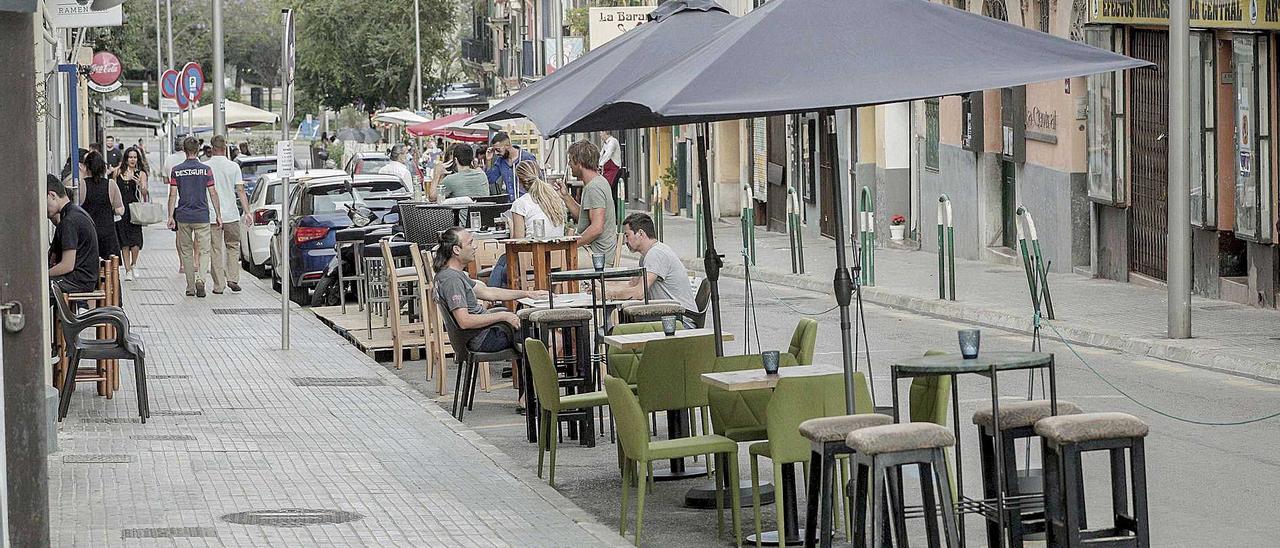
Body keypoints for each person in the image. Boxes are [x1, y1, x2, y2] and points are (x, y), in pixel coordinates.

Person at [433, 227, 545, 353]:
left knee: (536, 328)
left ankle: (529, 371)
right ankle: (542, 372)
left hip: (485, 332)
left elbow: (488, 292)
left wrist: (527, 293)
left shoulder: (451, 274)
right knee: (550, 336)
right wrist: (503, 316)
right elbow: (464, 321)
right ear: (456, 250)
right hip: (485, 337)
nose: (474, 246)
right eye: (470, 243)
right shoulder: (452, 280)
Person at [488, 159, 568, 289]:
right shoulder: (556, 199)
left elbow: (518, 242)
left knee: (503, 262)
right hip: (556, 259)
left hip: (532, 260)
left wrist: (511, 225)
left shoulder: (521, 203)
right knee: (504, 263)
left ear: (519, 181)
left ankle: (494, 301)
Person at [604, 213, 698, 321]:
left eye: (627, 235)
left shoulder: (656, 254)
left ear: (640, 233)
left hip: (681, 320)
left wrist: (609, 294)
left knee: (620, 331)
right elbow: (632, 284)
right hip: (668, 316)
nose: (625, 241)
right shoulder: (646, 256)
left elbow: (639, 292)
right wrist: (604, 287)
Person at [167, 136, 222, 298]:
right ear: (198, 150)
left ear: (184, 150)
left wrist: (170, 216)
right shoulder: (206, 170)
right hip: (202, 216)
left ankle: (190, 286)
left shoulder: (176, 170)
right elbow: (213, 193)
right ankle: (201, 279)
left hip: (183, 216)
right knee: (204, 251)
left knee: (186, 251)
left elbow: (172, 194)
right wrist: (218, 215)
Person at [556, 139, 617, 267]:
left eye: (571, 161)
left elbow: (596, 228)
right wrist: (566, 196)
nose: (569, 165)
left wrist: (571, 245)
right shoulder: (595, 183)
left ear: (579, 163)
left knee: (555, 263)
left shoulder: (594, 187)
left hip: (597, 256)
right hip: (595, 253)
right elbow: (585, 218)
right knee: (556, 260)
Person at [205, 135, 250, 294]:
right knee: (233, 246)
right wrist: (247, 212)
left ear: (211, 148)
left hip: (211, 215)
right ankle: (233, 278)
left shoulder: (205, 167)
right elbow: (240, 191)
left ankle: (218, 285)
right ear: (225, 148)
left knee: (215, 250)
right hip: (231, 213)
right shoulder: (234, 167)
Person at [47, 174, 100, 293]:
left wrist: (41, 275)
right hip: (86, 278)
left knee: (38, 291)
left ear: (52, 195)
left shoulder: (69, 221)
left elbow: (67, 265)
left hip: (77, 280)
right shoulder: (77, 212)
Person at [77, 149, 124, 261]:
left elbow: (77, 205)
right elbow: (120, 210)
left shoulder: (82, 185)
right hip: (107, 233)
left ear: (87, 167)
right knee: (110, 269)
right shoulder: (110, 185)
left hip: (88, 233)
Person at [114, 147, 149, 281]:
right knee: (124, 242)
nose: (132, 160)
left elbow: (145, 193)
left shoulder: (141, 174)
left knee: (136, 241)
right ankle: (128, 270)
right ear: (126, 158)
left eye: (135, 157)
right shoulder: (118, 172)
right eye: (130, 157)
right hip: (122, 209)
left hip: (135, 210)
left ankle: (134, 264)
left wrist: (140, 184)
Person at [484, 132, 536, 201]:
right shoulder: (500, 161)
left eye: (498, 149)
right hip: (511, 204)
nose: (496, 153)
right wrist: (488, 160)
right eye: (494, 150)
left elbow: (537, 182)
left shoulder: (527, 157)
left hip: (528, 203)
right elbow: (490, 180)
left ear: (507, 145)